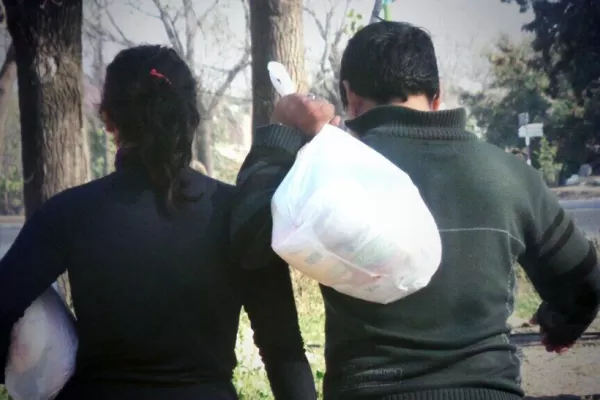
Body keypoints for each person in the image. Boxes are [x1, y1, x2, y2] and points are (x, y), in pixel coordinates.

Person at [230, 21, 600, 400]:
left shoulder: (330, 179)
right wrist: (559, 323)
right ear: (437, 97)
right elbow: (586, 284)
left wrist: (279, 132)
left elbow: (247, 239)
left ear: (348, 96)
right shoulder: (509, 175)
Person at [0, 45, 316, 400]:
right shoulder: (237, 214)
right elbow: (283, 350)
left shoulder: (68, 213)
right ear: (190, 117)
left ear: (107, 119)